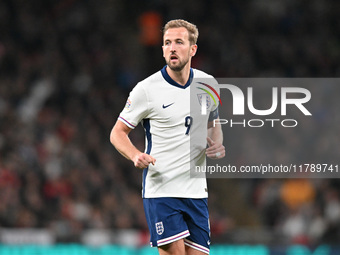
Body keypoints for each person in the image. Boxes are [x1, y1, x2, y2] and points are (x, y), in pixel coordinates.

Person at [110, 19, 225, 255]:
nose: (172, 48)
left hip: (196, 192)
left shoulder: (208, 85)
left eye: (179, 42)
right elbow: (117, 132)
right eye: (167, 43)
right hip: (162, 191)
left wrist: (217, 142)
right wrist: (135, 155)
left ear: (193, 49)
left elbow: (215, 123)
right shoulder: (147, 90)